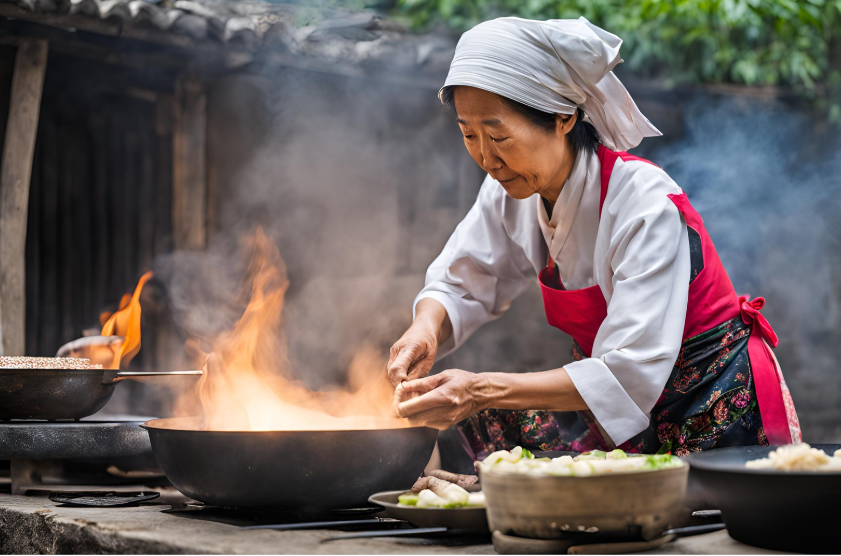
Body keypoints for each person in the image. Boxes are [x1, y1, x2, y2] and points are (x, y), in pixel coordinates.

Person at [388, 17, 801, 458]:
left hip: (715, 398)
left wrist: (480, 389)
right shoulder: (511, 190)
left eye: (499, 136)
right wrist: (424, 329)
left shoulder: (643, 204)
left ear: (563, 117)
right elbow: (463, 280)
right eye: (469, 135)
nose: (487, 158)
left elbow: (627, 372)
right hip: (627, 405)